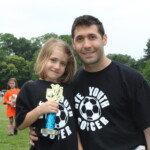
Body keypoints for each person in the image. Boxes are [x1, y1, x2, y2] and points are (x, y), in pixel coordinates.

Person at [29, 15, 150, 150]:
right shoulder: (70, 84)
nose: (86, 45)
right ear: (74, 44)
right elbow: (59, 121)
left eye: (92, 37)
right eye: (80, 39)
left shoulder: (131, 79)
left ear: (104, 39)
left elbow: (148, 130)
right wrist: (37, 130)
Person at [15, 38, 83, 150]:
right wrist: (39, 110)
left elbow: (75, 124)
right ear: (43, 59)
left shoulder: (70, 89)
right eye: (53, 60)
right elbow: (21, 124)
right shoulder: (30, 88)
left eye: (62, 63)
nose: (57, 66)